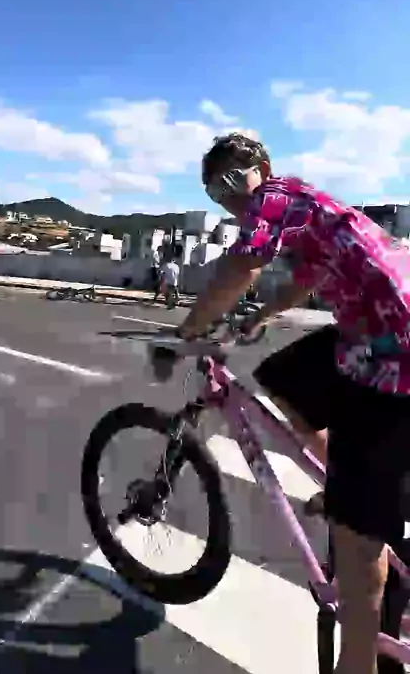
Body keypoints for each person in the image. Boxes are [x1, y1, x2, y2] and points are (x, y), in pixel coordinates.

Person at [167, 131, 410, 674]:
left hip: (394, 354)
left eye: (234, 178)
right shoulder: (306, 209)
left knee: (357, 545)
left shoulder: (274, 198)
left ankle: (357, 664)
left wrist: (189, 329)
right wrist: (259, 316)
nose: (230, 196)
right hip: (376, 330)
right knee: (282, 375)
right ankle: (336, 479)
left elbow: (243, 265)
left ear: (263, 168)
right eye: (215, 191)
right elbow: (306, 279)